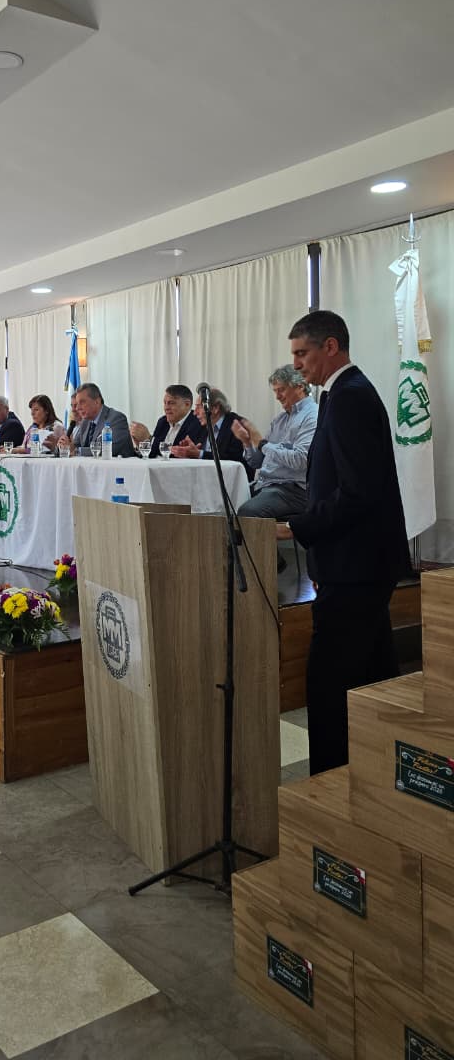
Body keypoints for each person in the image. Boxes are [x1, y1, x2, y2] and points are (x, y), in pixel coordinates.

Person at [277, 310, 410, 776]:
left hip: (356, 565)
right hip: (357, 561)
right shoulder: (341, 394)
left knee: (330, 685)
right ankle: (376, 775)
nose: (297, 364)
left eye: (302, 353)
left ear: (330, 346)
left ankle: (330, 783)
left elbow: (357, 492)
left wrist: (296, 527)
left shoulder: (350, 397)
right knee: (374, 679)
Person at [231, 366, 318, 524]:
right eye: (275, 391)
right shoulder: (279, 420)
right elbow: (257, 462)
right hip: (267, 485)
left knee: (247, 512)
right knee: (225, 501)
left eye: (281, 390)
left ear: (300, 386)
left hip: (294, 490)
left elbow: (301, 460)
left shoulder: (313, 416)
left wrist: (262, 444)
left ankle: (258, 543)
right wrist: (247, 442)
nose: (277, 397)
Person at [171, 386, 247, 468]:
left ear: (215, 408)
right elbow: (197, 452)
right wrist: (189, 451)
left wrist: (199, 454)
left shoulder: (237, 425)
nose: (195, 413)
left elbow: (234, 460)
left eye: (199, 407)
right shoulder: (201, 426)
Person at [64, 383, 136, 457]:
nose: (77, 408)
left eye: (82, 402)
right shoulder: (85, 422)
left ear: (97, 402)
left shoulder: (116, 419)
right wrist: (65, 446)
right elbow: (74, 446)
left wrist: (77, 451)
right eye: (77, 403)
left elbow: (108, 449)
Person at [149, 385, 205, 458]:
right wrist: (142, 441)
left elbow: (179, 454)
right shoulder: (162, 421)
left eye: (171, 403)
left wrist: (149, 438)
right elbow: (153, 453)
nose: (166, 408)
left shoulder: (198, 423)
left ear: (187, 404)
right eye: (165, 403)